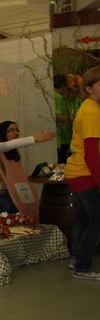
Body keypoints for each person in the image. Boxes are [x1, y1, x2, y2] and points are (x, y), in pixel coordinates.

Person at [64, 65, 100, 280]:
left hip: (77, 171)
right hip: (83, 173)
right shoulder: (92, 112)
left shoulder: (90, 107)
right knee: (97, 219)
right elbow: (91, 154)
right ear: (88, 88)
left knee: (85, 218)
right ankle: (83, 266)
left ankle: (76, 258)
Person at [0, 121, 55, 216]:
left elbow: (9, 175)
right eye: (11, 130)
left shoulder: (10, 153)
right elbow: (5, 146)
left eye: (17, 130)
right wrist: (33, 138)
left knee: (20, 203)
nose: (16, 133)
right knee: (7, 206)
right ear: (2, 132)